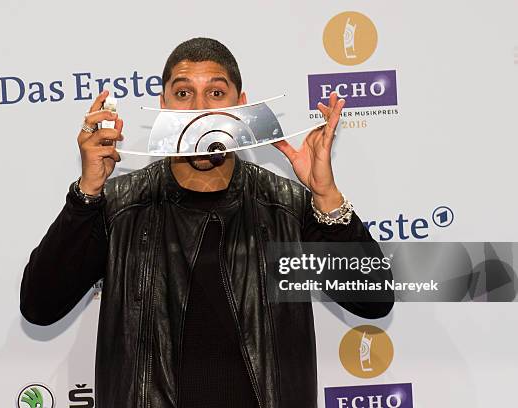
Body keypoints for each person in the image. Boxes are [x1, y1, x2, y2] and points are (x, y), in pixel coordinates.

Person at [20, 37, 393, 408]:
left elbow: (374, 301)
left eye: (216, 93)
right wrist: (87, 192)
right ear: (164, 107)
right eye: (183, 94)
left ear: (241, 106)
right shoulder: (120, 205)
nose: (200, 110)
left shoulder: (285, 205)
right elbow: (39, 307)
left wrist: (326, 197)